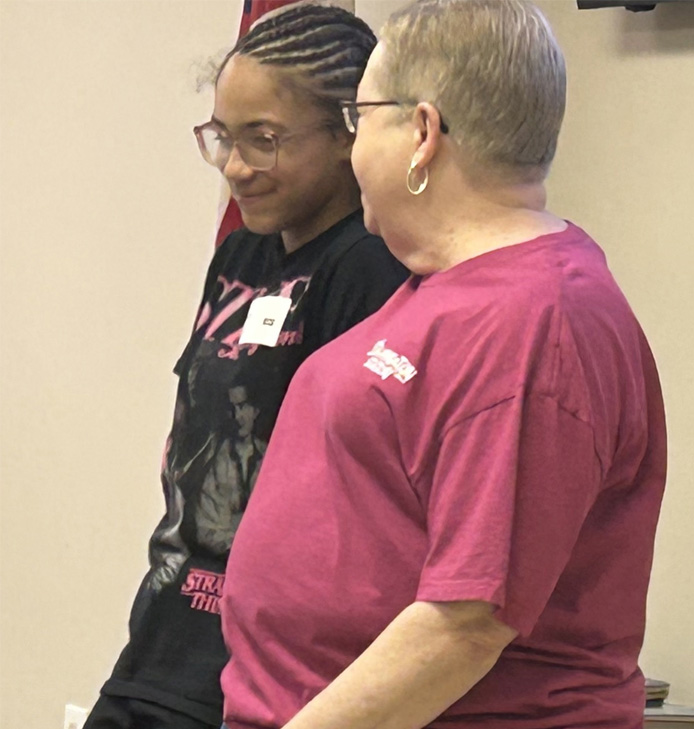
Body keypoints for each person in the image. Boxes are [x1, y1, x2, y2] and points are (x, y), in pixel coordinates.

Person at [219, 1, 668, 728]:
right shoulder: (452, 291)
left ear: (422, 133)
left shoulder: (534, 322)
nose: (353, 143)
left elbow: (465, 625)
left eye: (360, 116)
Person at [84, 4, 407, 729]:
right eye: (223, 138)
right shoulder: (242, 253)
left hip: (263, 671)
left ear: (348, 131)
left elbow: (349, 490)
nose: (236, 167)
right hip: (164, 643)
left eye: (263, 140)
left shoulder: (369, 268)